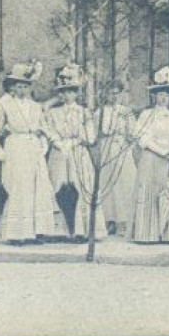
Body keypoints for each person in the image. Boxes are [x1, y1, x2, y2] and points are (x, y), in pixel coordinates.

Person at [0, 62, 64, 244]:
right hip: (15, 147)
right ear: (13, 87)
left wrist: (44, 145)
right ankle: (17, 234)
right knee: (19, 189)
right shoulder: (5, 106)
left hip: (33, 149)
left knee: (37, 188)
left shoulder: (36, 107)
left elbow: (44, 129)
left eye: (26, 86)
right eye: (19, 85)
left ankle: (35, 233)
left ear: (30, 87)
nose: (22, 89)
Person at [44, 64, 104, 242]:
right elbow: (48, 129)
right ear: (60, 94)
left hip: (78, 151)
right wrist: (57, 142)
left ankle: (81, 229)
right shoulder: (53, 112)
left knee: (81, 186)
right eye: (65, 92)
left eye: (71, 91)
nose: (68, 95)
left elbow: (90, 135)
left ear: (77, 94)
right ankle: (59, 230)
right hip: (59, 151)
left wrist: (75, 142)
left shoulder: (84, 112)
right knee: (58, 185)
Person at [130, 67, 169, 244]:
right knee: (147, 191)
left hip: (168, 159)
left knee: (166, 191)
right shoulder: (146, 115)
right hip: (151, 157)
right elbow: (141, 137)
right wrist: (159, 150)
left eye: (166, 95)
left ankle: (167, 233)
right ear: (154, 96)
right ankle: (146, 234)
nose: (163, 98)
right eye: (160, 94)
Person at [95, 79, 137, 237]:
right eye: (110, 93)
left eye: (117, 93)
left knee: (125, 182)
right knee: (107, 184)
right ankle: (109, 220)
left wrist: (126, 132)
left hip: (122, 148)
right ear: (105, 94)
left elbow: (133, 132)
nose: (114, 97)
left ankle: (125, 221)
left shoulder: (126, 112)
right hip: (107, 148)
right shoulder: (100, 112)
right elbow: (98, 133)